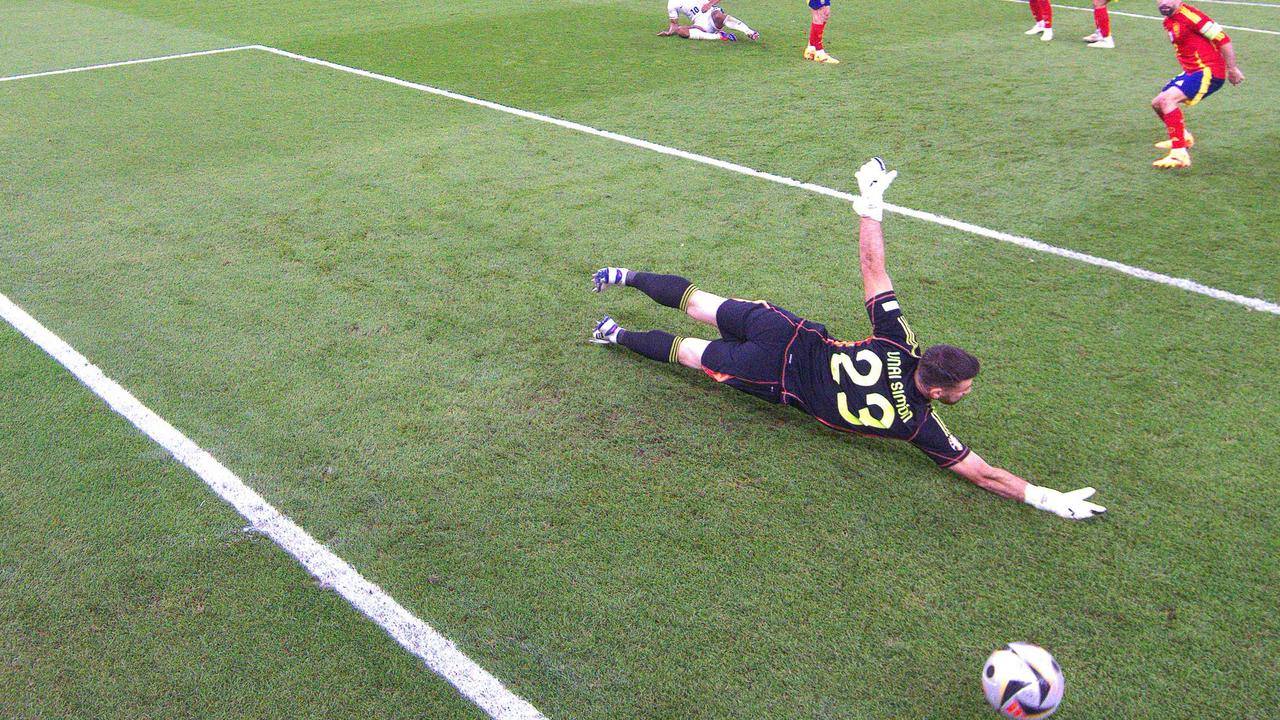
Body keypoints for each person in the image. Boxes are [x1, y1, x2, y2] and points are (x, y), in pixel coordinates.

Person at [588, 158, 1107, 521]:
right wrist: (1042, 497)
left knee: (700, 303)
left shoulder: (899, 342)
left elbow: (872, 268)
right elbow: (983, 474)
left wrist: (870, 205)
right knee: (688, 352)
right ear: (942, 389)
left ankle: (624, 275)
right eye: (964, 388)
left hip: (785, 331)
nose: (967, 393)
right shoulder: (916, 425)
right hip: (772, 375)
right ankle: (615, 334)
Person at [1151, 0, 1244, 168]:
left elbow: (1223, 39)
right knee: (1157, 103)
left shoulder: (1192, 16)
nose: (1163, 3)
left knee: (1167, 100)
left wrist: (1232, 69)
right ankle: (1183, 138)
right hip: (1192, 72)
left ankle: (1179, 155)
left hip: (1209, 71)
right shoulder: (1169, 20)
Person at [660, 1, 760, 42]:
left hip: (711, 13)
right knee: (681, 31)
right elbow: (674, 24)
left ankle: (749, 31)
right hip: (700, 24)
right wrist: (669, 32)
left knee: (718, 15)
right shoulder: (672, 4)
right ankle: (720, 36)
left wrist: (709, 4)